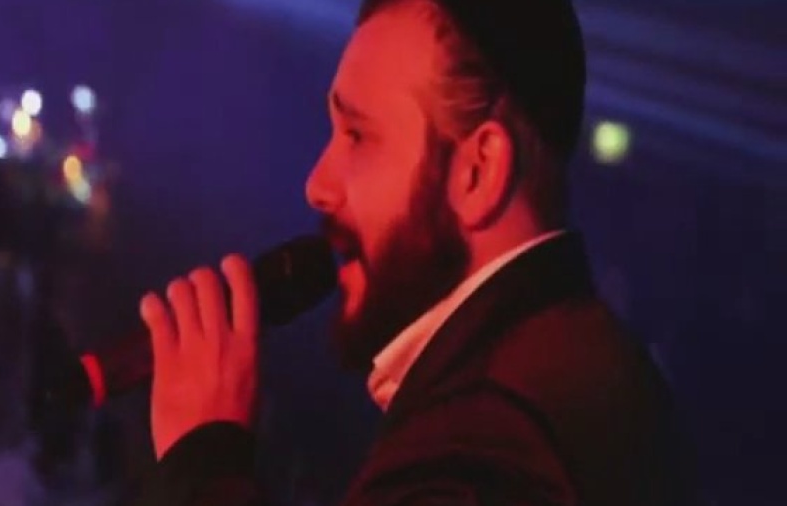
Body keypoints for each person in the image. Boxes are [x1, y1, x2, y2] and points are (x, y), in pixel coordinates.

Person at [133, 0, 693, 504]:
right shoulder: (583, 368)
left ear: (478, 171)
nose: (317, 184)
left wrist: (204, 465)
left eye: (357, 135)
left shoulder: (491, 444)